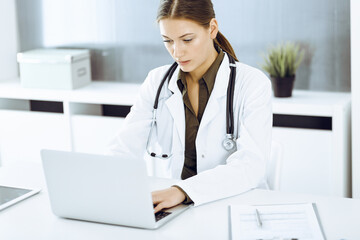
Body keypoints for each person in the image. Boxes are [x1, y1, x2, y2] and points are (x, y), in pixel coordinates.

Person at [108, 0, 272, 213]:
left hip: (234, 205)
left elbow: (251, 166)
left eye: (187, 39)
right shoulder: (157, 81)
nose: (177, 52)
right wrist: (106, 185)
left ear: (212, 29)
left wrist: (183, 191)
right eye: (168, 41)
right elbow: (124, 147)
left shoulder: (251, 84)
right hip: (177, 209)